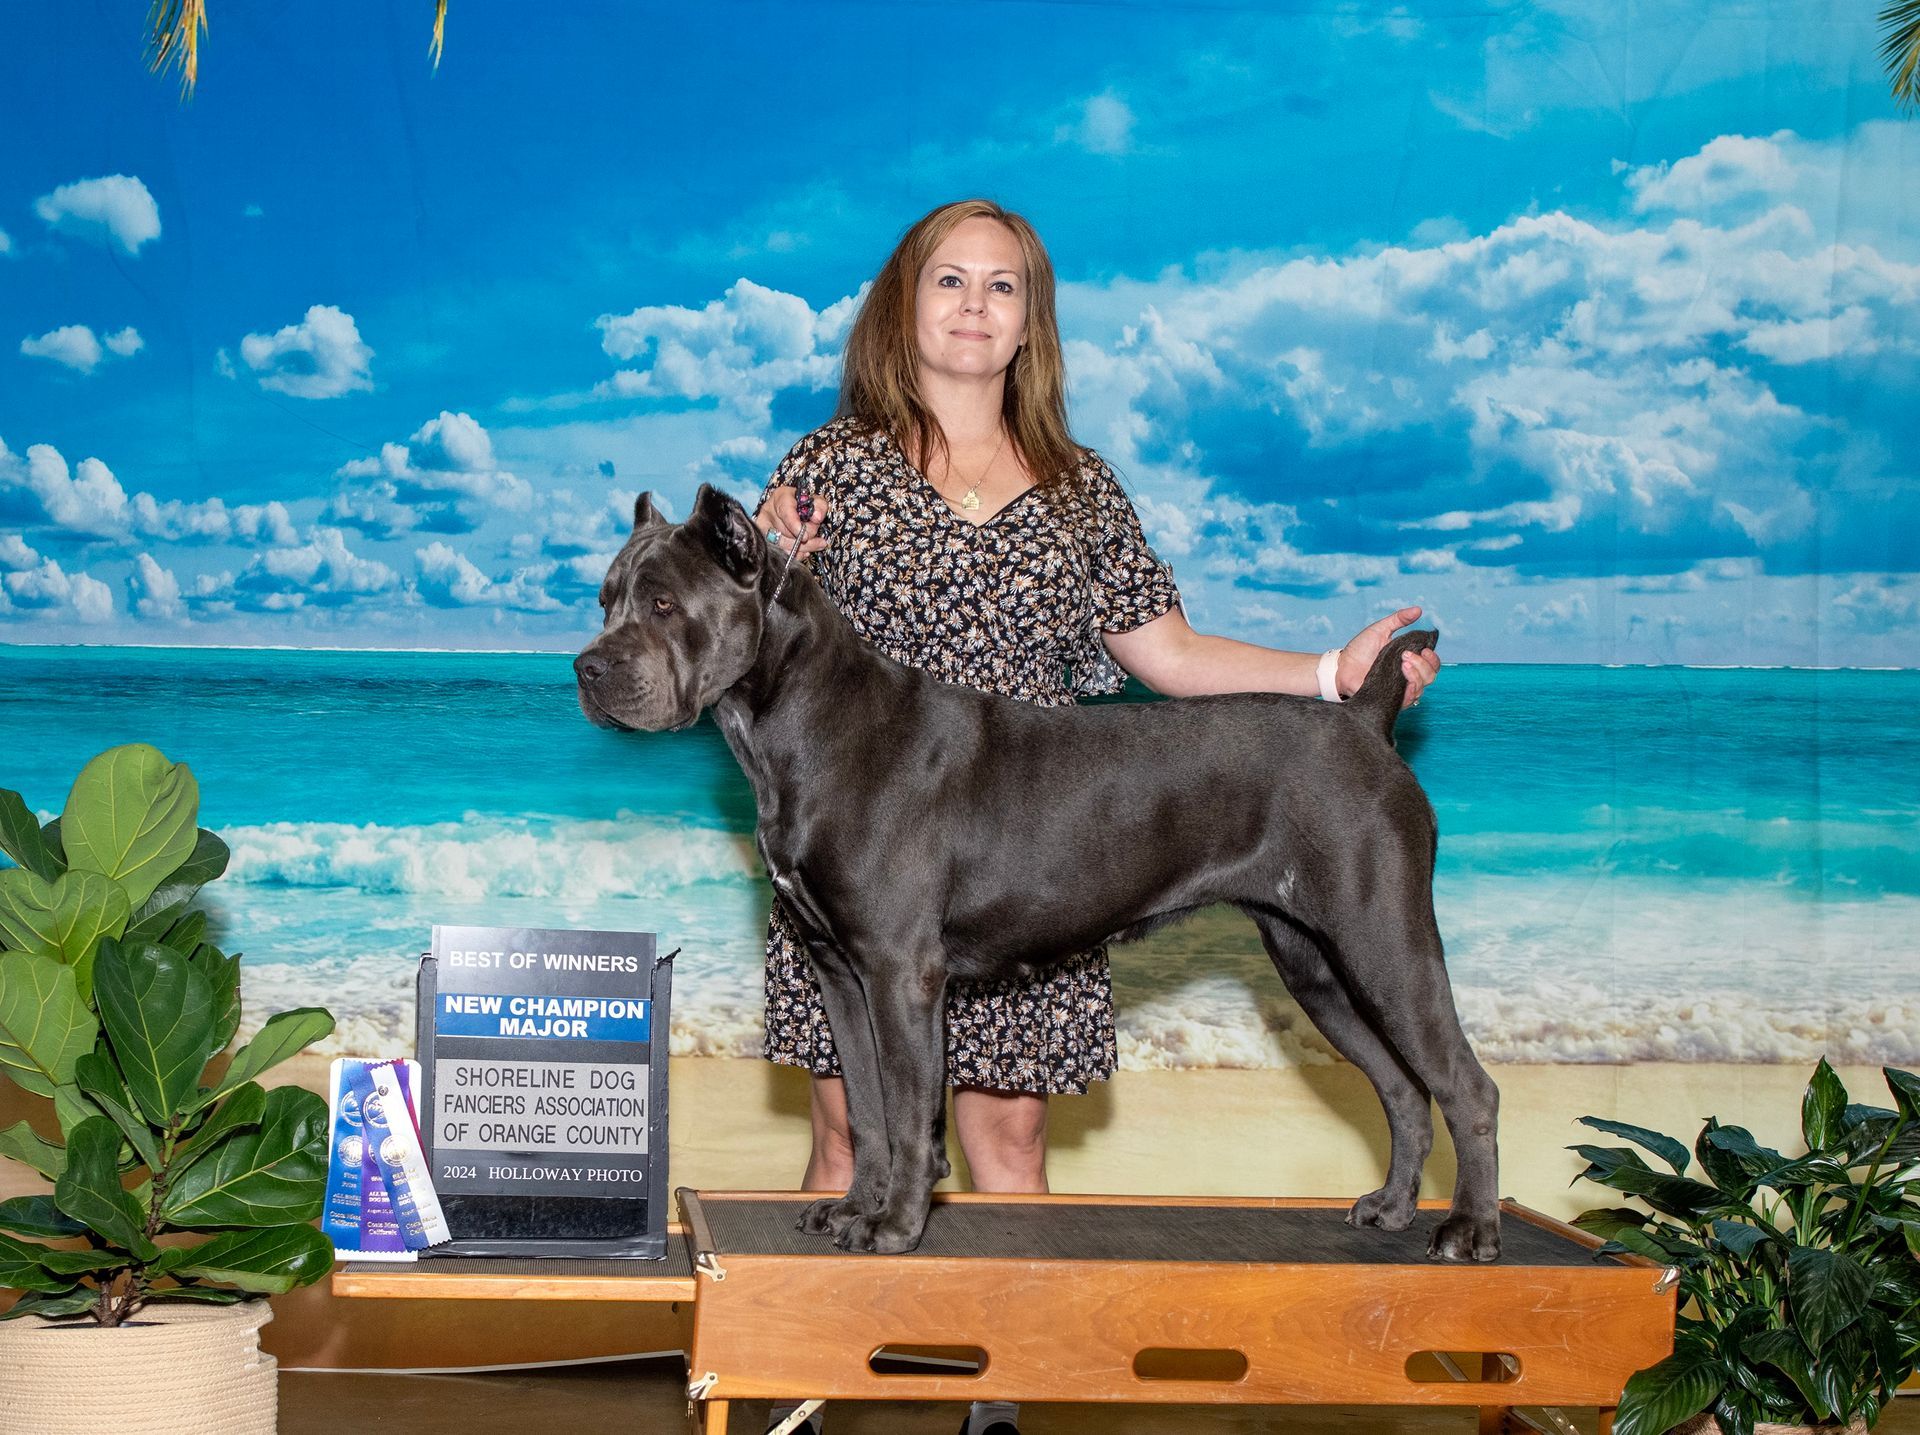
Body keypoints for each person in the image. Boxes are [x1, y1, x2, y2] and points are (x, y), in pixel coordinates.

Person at [752, 199, 1440, 1435]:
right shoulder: (828, 469)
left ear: (1031, 322)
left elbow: (1170, 657)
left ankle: (1000, 1405)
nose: (974, 305)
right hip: (865, 856)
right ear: (902, 306)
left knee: (1009, 1136)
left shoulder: (1081, 490)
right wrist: (767, 547)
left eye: (1002, 285)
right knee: (849, 1128)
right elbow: (754, 621)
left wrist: (1328, 677)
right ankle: (809, 1383)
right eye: (949, 280)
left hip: (1037, 851)